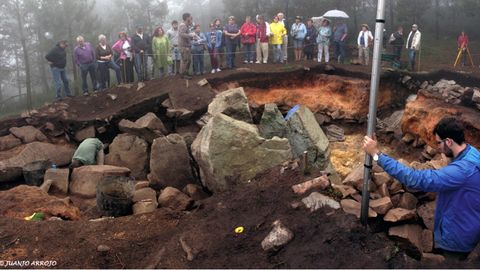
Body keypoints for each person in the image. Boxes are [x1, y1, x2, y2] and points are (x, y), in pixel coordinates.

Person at [363, 117, 480, 255]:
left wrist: (377, 155)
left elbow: (415, 179)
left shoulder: (461, 171)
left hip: (456, 239)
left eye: (439, 143)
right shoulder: (472, 153)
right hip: (468, 225)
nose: (438, 149)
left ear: (449, 141)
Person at [179, 13, 195, 79]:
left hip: (186, 45)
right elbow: (181, 34)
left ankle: (186, 73)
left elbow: (185, 34)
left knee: (187, 60)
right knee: (186, 60)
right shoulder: (183, 26)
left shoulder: (185, 25)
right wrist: (190, 35)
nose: (191, 17)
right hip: (184, 46)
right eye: (190, 16)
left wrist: (191, 37)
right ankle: (184, 75)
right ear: (187, 18)